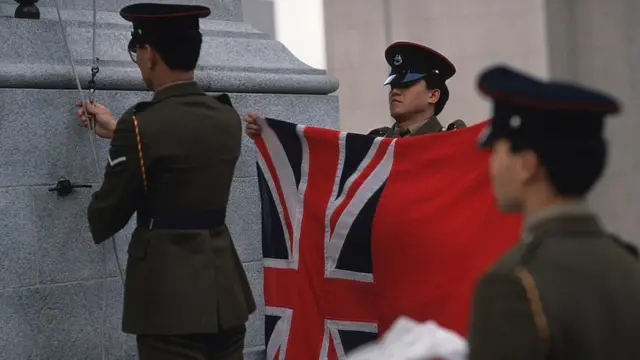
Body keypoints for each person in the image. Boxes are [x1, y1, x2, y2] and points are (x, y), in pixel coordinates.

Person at [75, 3, 256, 359]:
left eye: (136, 50)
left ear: (149, 52)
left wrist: (125, 138)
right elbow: (181, 148)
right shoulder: (225, 115)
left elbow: (105, 218)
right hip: (226, 295)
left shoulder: (140, 126)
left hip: (170, 304)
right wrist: (123, 136)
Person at [467, 65, 640, 360]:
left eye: (498, 150)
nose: (492, 165)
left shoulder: (512, 284)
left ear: (526, 165)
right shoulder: (629, 264)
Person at [244, 41, 466, 138]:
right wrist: (274, 134)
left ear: (433, 95)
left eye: (406, 84)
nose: (395, 91)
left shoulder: (453, 142)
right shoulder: (375, 143)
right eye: (393, 84)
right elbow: (324, 157)